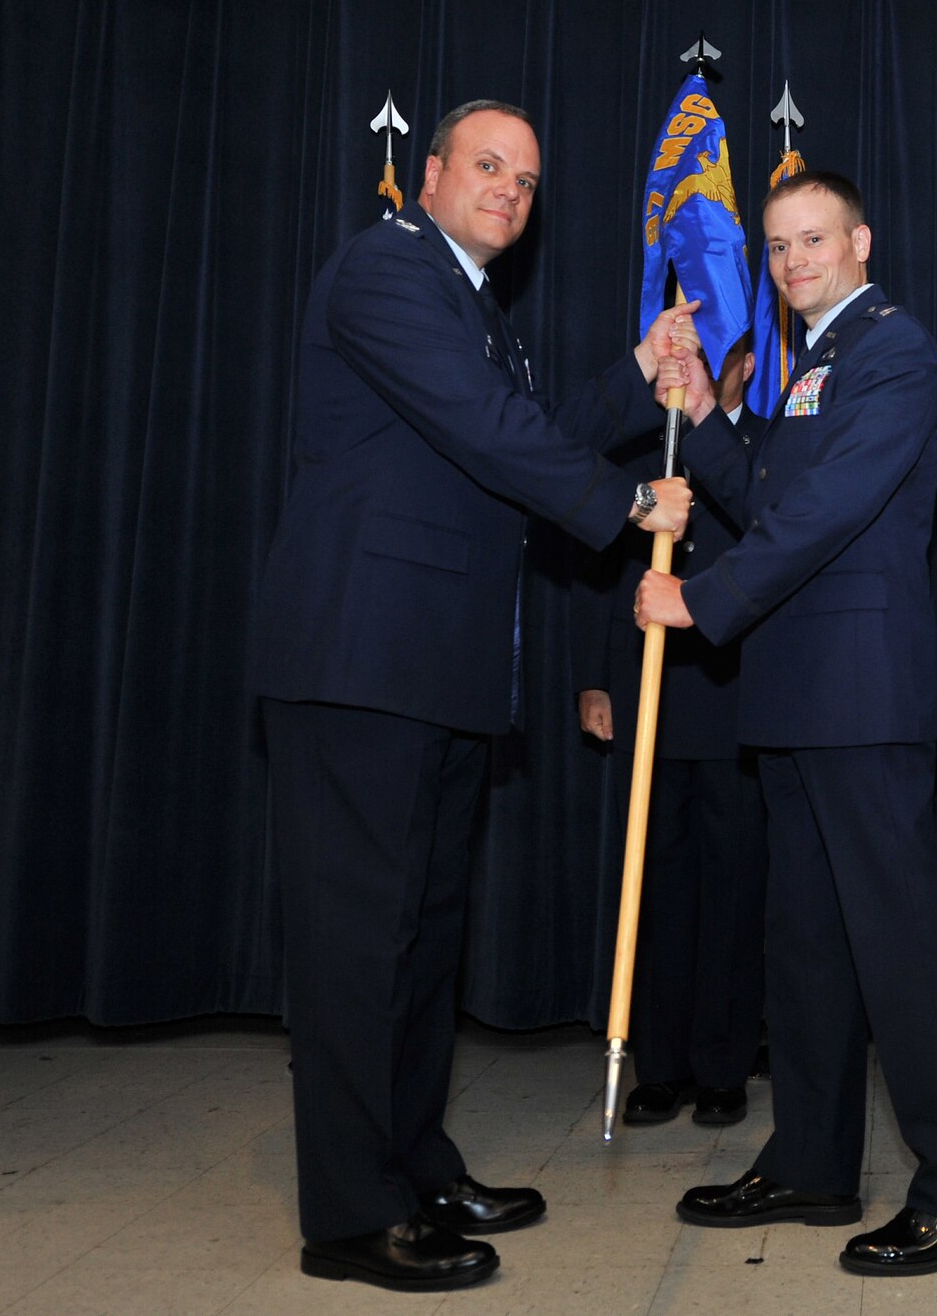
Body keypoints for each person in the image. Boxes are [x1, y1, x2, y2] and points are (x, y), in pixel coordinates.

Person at [248, 98, 697, 1292]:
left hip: (429, 671)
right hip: (359, 665)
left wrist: (636, 374)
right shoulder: (387, 272)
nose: (508, 189)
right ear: (431, 171)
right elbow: (490, 434)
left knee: (420, 938)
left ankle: (414, 1162)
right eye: (487, 166)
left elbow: (523, 430)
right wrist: (628, 507)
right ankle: (350, 1212)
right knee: (359, 946)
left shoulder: (474, 309)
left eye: (528, 179)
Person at [635, 170, 937, 1278]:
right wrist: (707, 416)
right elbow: (764, 490)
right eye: (777, 246)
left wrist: (698, 600)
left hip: (862, 690)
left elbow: (825, 510)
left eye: (813, 239)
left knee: (904, 950)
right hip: (798, 696)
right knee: (803, 949)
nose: (794, 260)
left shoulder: (894, 350)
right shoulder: (808, 363)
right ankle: (808, 1159)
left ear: (858, 239)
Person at [571, 337, 767, 1129]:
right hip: (649, 690)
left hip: (733, 692)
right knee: (654, 887)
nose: (685, 368)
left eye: (705, 355)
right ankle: (661, 1063)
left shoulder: (762, 454)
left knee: (731, 888)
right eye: (676, 355)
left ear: (744, 365)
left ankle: (723, 1066)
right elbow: (598, 567)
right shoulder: (638, 454)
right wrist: (593, 674)